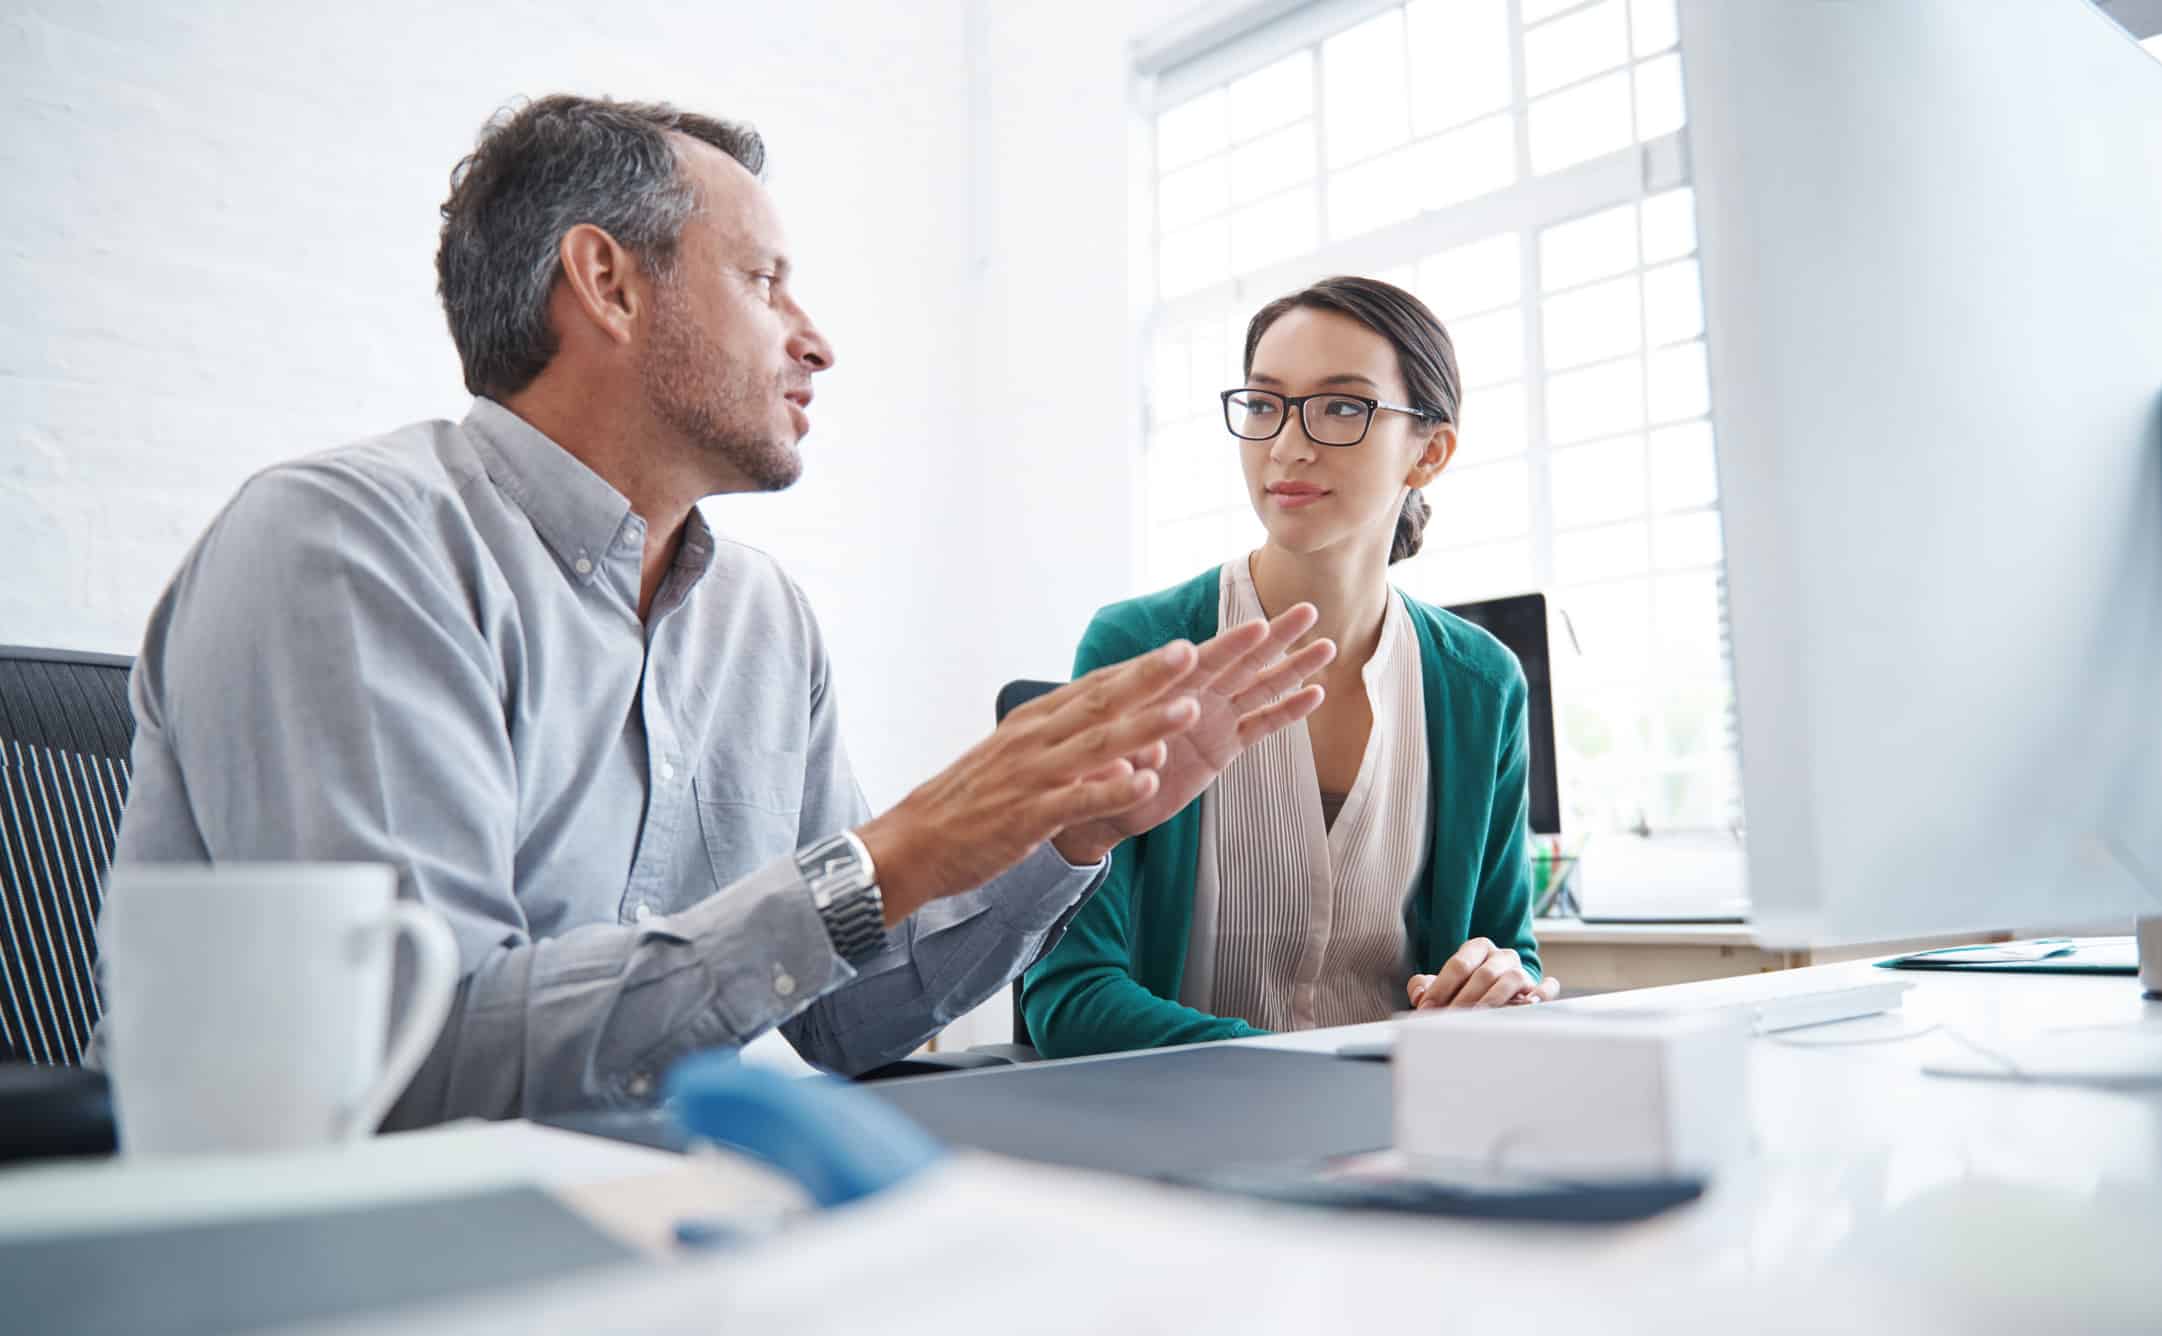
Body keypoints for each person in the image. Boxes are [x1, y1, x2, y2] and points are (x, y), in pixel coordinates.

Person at [98, 96, 1334, 1126]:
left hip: (658, 1231)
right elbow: (412, 1067)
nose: (817, 343)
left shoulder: (761, 618)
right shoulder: (347, 546)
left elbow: (848, 1020)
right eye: (765, 282)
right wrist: (889, 854)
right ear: (607, 285)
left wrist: (1063, 833)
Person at [1021, 276, 1559, 1059]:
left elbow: (1507, 951)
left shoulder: (1482, 684)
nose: (1289, 445)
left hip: (1398, 1127)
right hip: (1188, 1130)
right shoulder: (1140, 646)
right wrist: (1312, 1068)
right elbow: (1069, 995)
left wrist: (1499, 983)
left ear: (1430, 450)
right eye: (1266, 403)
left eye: (1343, 406)